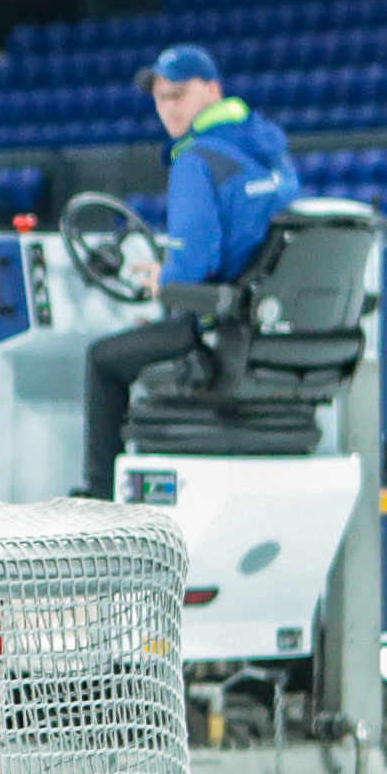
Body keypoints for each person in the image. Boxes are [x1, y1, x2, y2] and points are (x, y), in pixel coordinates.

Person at [81, 45, 302, 494]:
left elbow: (190, 271)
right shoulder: (270, 148)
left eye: (178, 95)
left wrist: (163, 278)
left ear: (213, 90)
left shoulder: (197, 161)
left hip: (220, 331)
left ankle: (100, 496)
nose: (168, 108)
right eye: (161, 98)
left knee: (103, 360)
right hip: (275, 329)